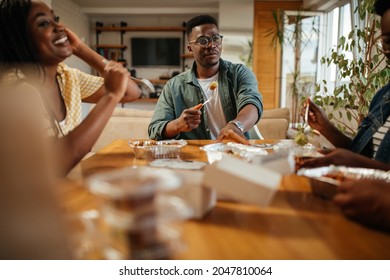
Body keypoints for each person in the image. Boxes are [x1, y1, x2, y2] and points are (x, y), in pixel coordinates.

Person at [0, 0, 141, 175]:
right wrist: (111, 96)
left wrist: (80, 48)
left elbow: (131, 91)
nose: (60, 28)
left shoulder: (66, 77)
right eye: (44, 23)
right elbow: (54, 162)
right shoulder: (14, 88)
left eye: (55, 19)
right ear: (18, 38)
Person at [301, 0, 390, 171]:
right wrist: (325, 127)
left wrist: (354, 162)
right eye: (387, 41)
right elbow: (361, 155)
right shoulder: (383, 96)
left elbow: (360, 162)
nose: (388, 51)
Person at [148, 14, 263, 141]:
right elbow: (154, 129)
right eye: (203, 41)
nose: (211, 45)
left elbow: (252, 103)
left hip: (233, 152)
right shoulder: (174, 86)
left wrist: (236, 125)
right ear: (190, 48)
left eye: (215, 38)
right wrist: (178, 125)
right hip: (192, 156)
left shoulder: (240, 73)